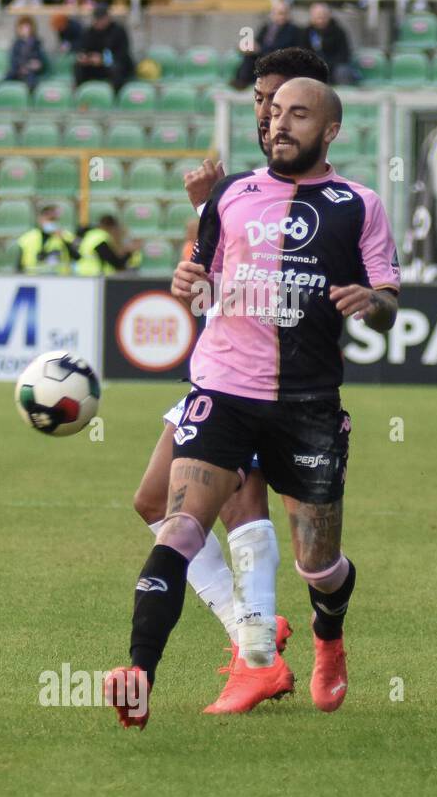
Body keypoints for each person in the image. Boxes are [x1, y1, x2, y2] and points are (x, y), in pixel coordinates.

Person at [107, 77, 400, 728]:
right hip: (224, 392)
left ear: (329, 131)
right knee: (179, 524)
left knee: (318, 563)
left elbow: (387, 303)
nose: (279, 124)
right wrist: (189, 278)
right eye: (274, 115)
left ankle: (328, 639)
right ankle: (139, 672)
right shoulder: (232, 194)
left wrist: (369, 302)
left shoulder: (360, 205)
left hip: (308, 403)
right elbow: (201, 277)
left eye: (299, 115)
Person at [130, 48, 330, 714]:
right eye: (260, 102)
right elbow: (205, 284)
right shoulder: (241, 189)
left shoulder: (321, 197)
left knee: (241, 507)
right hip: (216, 363)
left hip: (263, 379)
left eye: (281, 101)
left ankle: (258, 652)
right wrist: (202, 214)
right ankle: (254, 632)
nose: (269, 114)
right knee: (153, 502)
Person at [232, 0, 304, 90]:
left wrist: (260, 49)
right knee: (249, 54)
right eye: (277, 13)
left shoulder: (294, 30)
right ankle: (241, 81)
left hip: (279, 61)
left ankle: (243, 81)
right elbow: (257, 42)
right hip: (262, 57)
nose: (280, 16)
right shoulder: (266, 27)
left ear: (288, 14)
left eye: (282, 13)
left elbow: (286, 49)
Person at [73, 3, 133, 91]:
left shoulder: (118, 31)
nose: (99, 22)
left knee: (115, 67)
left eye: (101, 19)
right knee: (78, 66)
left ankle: (114, 96)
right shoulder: (89, 32)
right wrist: (84, 57)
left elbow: (122, 54)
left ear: (108, 18)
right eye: (97, 19)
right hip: (94, 65)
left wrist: (103, 59)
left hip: (112, 63)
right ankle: (81, 94)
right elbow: (83, 48)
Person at [15, 205, 78, 275]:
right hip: (34, 279)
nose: (51, 222)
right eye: (49, 219)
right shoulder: (28, 238)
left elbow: (77, 257)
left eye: (53, 220)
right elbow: (19, 266)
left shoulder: (66, 236)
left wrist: (63, 239)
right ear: (40, 219)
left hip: (60, 280)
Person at [306, 2, 356, 85]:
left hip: (335, 66)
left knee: (343, 71)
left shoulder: (339, 31)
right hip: (314, 65)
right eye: (318, 17)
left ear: (329, 15)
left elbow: (344, 54)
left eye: (323, 16)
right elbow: (303, 52)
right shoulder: (307, 32)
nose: (320, 20)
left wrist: (328, 64)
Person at [73, 214, 141, 275]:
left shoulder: (91, 234)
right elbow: (115, 263)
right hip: (93, 275)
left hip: (84, 273)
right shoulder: (101, 238)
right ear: (112, 227)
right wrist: (129, 251)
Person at [5, 16, 47, 91]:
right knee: (7, 78)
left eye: (26, 27)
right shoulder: (16, 43)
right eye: (22, 28)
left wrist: (37, 64)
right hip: (17, 69)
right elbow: (13, 58)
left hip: (31, 71)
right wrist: (21, 67)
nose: (25, 30)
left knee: (32, 81)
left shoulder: (36, 43)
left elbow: (39, 59)